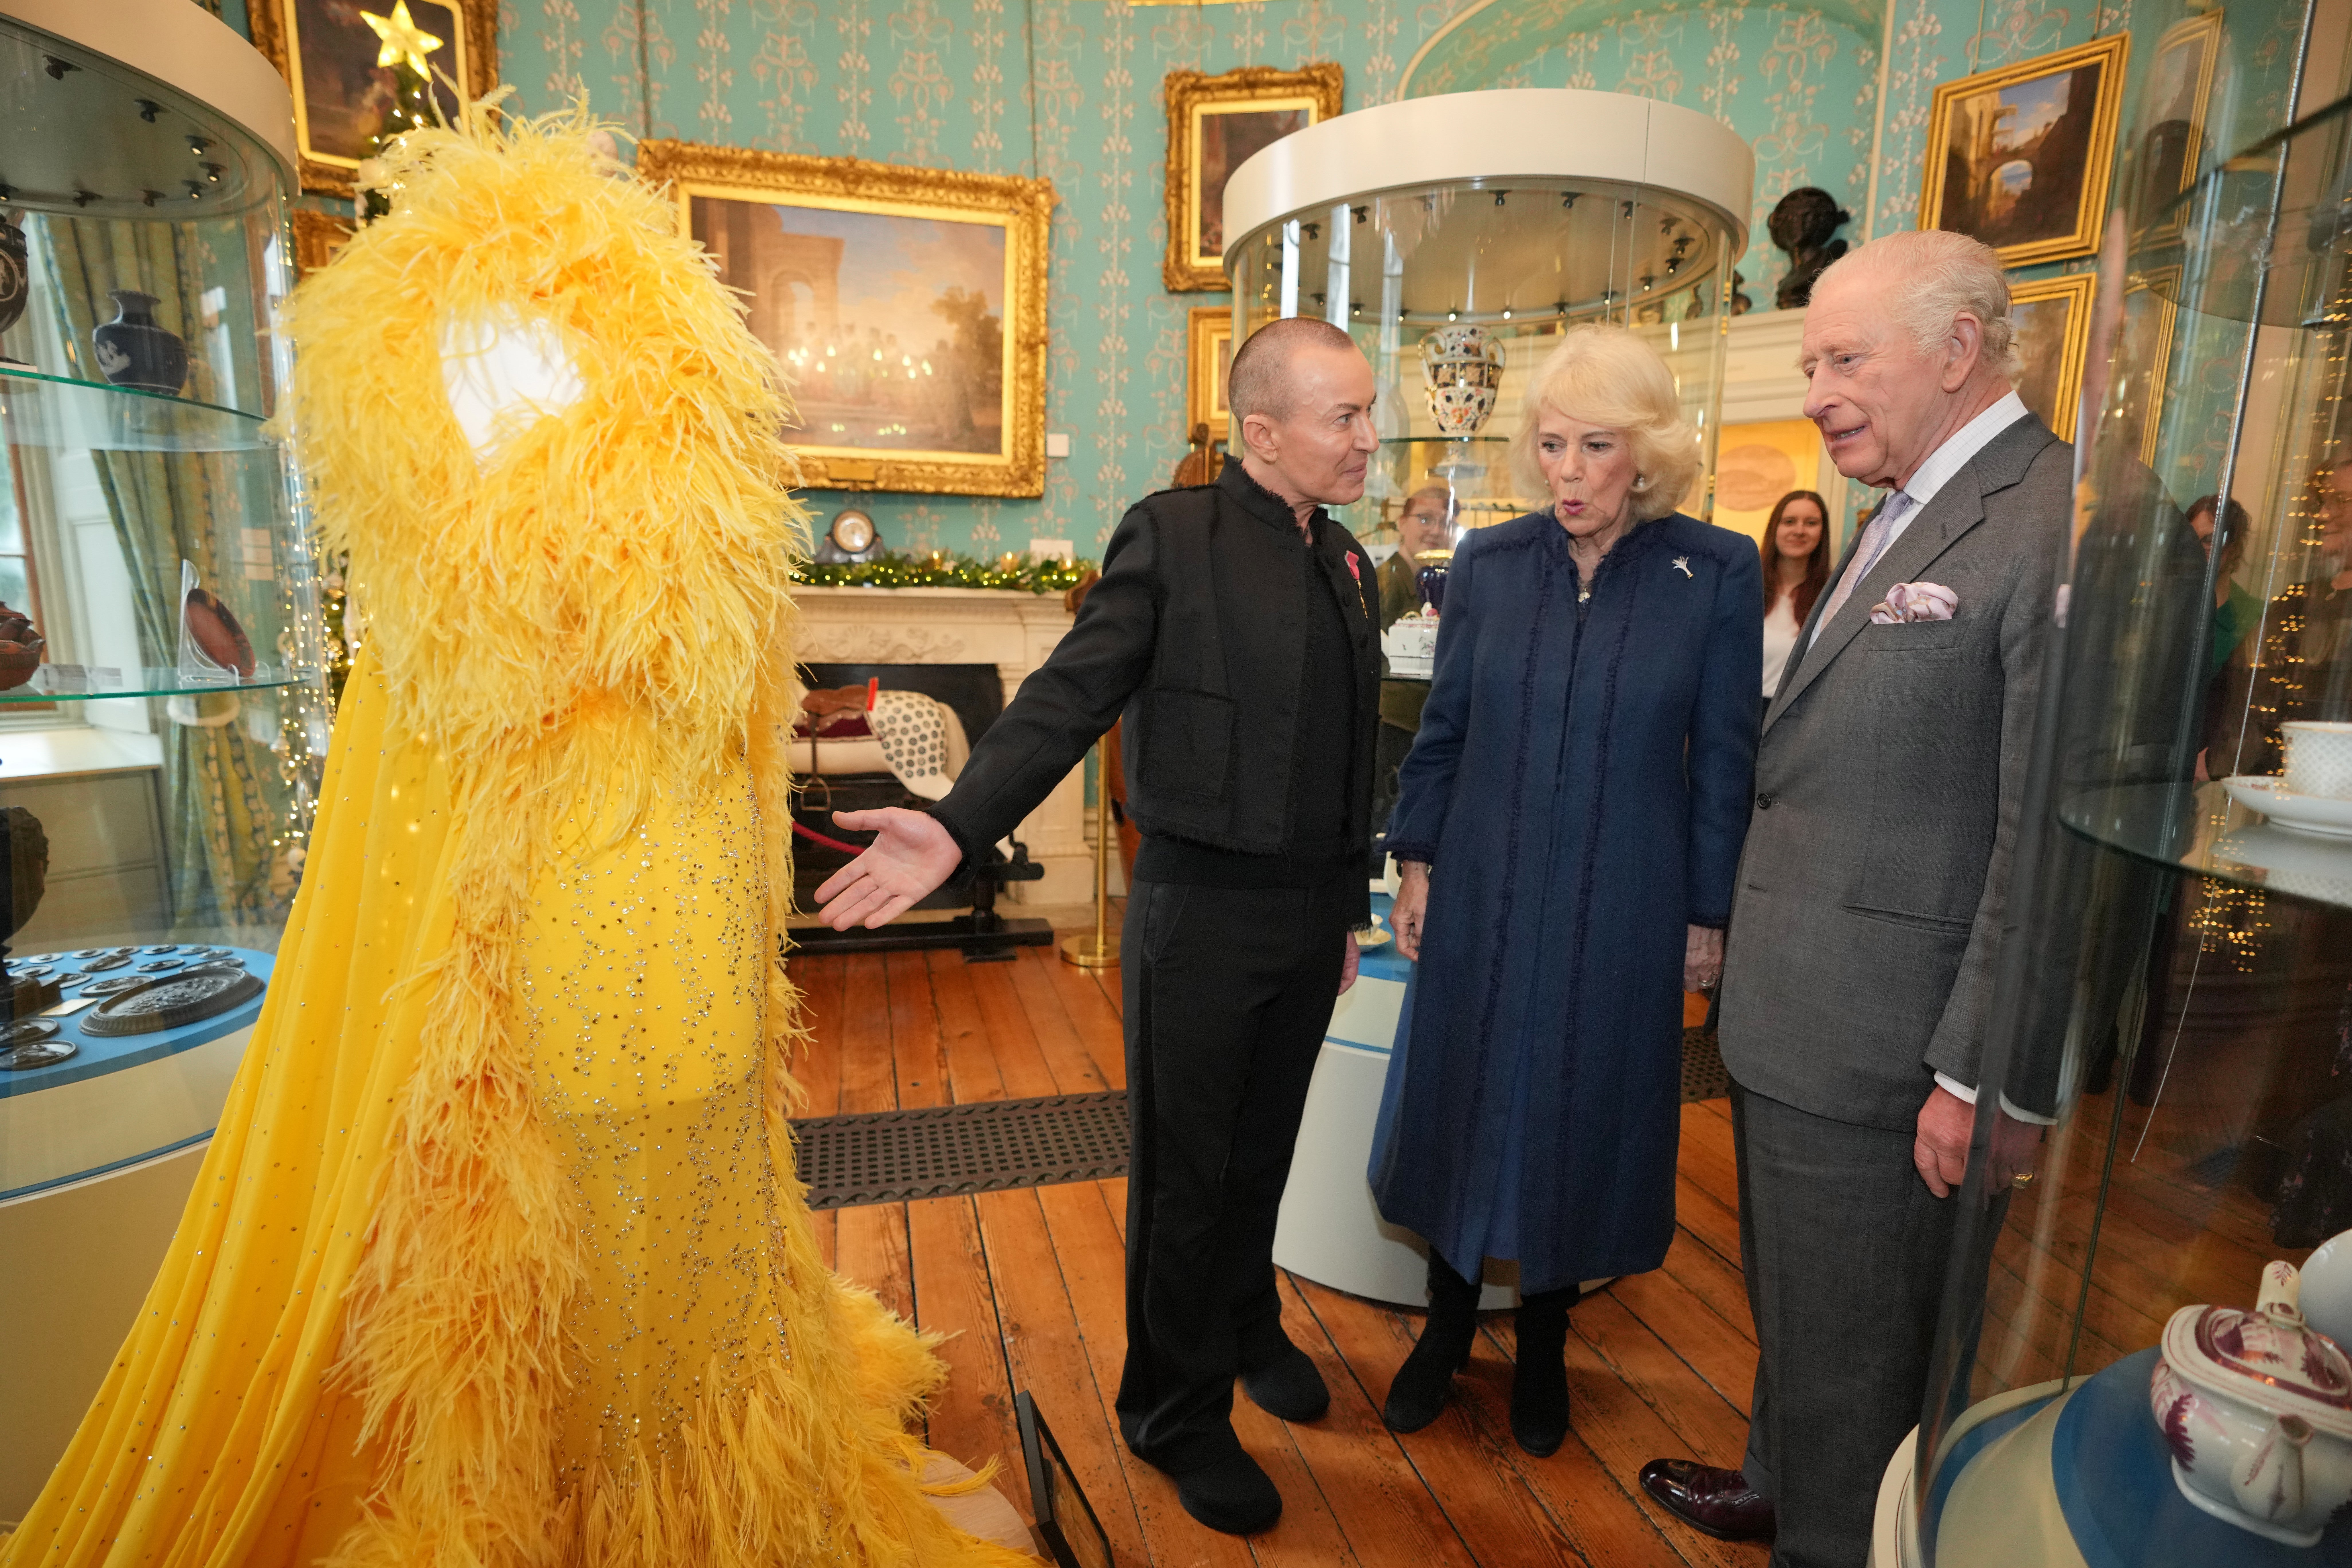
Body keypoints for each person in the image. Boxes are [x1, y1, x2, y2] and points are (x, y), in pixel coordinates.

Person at [2, 115, 1034, 1568]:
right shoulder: (468, 345)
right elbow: (485, 677)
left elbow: (712, 678)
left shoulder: (661, 368)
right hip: (571, 917)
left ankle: (692, 1482)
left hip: (686, 899)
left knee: (690, 1220)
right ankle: (614, 1510)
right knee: (575, 1256)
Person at [811, 315, 1382, 1537]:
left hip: (1304, 914)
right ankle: (1173, 1411)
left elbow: (1348, 764)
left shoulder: (1348, 561)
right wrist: (959, 821)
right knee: (1188, 1174)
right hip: (1201, 908)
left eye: (1368, 411)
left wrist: (1344, 909)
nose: (1368, 438)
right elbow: (1070, 692)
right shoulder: (1170, 535)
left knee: (1266, 1149)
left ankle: (1243, 1322)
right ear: (1264, 428)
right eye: (1345, 416)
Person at [1636, 229, 2071, 1567]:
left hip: (1898, 1048)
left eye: (1841, 357)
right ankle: (1785, 1476)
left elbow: (2046, 835)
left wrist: (1983, 1072)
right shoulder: (1910, 502)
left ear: (1956, 349)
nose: (1815, 387)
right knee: (1810, 1316)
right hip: (1807, 1017)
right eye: (1811, 356)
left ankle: (1827, 1536)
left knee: (1864, 1352)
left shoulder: (2049, 516)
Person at [1372, 324, 1760, 1455]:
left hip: (1625, 896)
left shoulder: (1712, 571)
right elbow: (1440, 733)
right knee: (1461, 1092)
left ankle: (1540, 1339)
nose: (1569, 471)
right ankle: (1445, 1328)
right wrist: (1416, 858)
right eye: (1551, 444)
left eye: (1596, 446)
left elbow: (1721, 760)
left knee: (1579, 1106)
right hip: (1481, 883)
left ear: (1642, 454)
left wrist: (1703, 913)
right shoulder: (1488, 566)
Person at [1373, 483, 1456, 831]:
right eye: (1425, 519)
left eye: (1445, 522)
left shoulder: (1447, 584)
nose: (1436, 530)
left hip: (1431, 724)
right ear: (1401, 524)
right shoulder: (1383, 581)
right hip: (1392, 727)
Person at [1758, 489, 1831, 702]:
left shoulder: (1833, 593)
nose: (1799, 531)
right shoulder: (1747, 585)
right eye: (1789, 521)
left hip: (1796, 715)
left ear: (1822, 533)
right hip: (1739, 711)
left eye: (1811, 523)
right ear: (1775, 528)